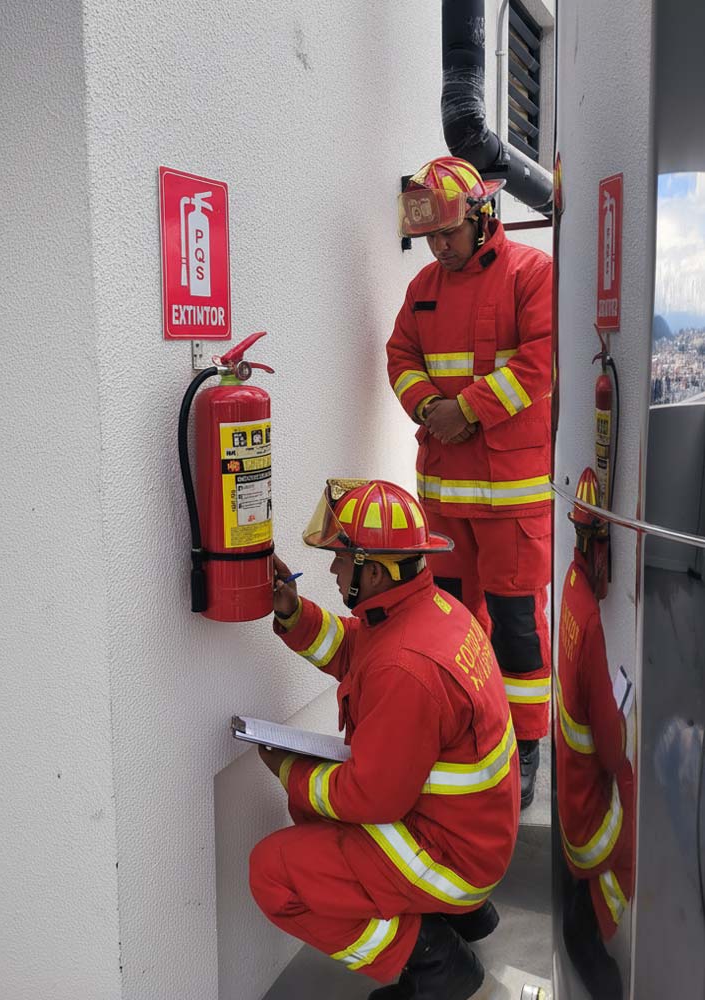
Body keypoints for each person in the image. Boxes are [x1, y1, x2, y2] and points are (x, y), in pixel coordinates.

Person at [248, 478, 519, 1000]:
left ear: (372, 571)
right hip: (474, 837)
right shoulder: (427, 611)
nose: (332, 570)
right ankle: (458, 916)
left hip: (454, 858)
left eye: (340, 559)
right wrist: (292, 613)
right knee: (313, 811)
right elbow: (358, 651)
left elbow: (369, 798)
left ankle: (435, 962)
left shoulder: (406, 667)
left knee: (272, 874)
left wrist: (288, 769)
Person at [387, 155, 553, 808]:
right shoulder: (422, 287)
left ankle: (526, 746)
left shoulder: (531, 273)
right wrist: (430, 405)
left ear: (483, 217)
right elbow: (400, 356)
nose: (439, 246)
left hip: (512, 500)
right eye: (429, 236)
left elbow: (542, 360)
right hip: (445, 501)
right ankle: (469, 734)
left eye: (447, 232)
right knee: (453, 626)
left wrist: (469, 410)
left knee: (517, 629)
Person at [556, 468, 634, 1000]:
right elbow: (609, 743)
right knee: (583, 921)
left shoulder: (569, 587)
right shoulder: (591, 622)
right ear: (599, 546)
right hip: (589, 793)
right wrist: (626, 748)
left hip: (570, 781)